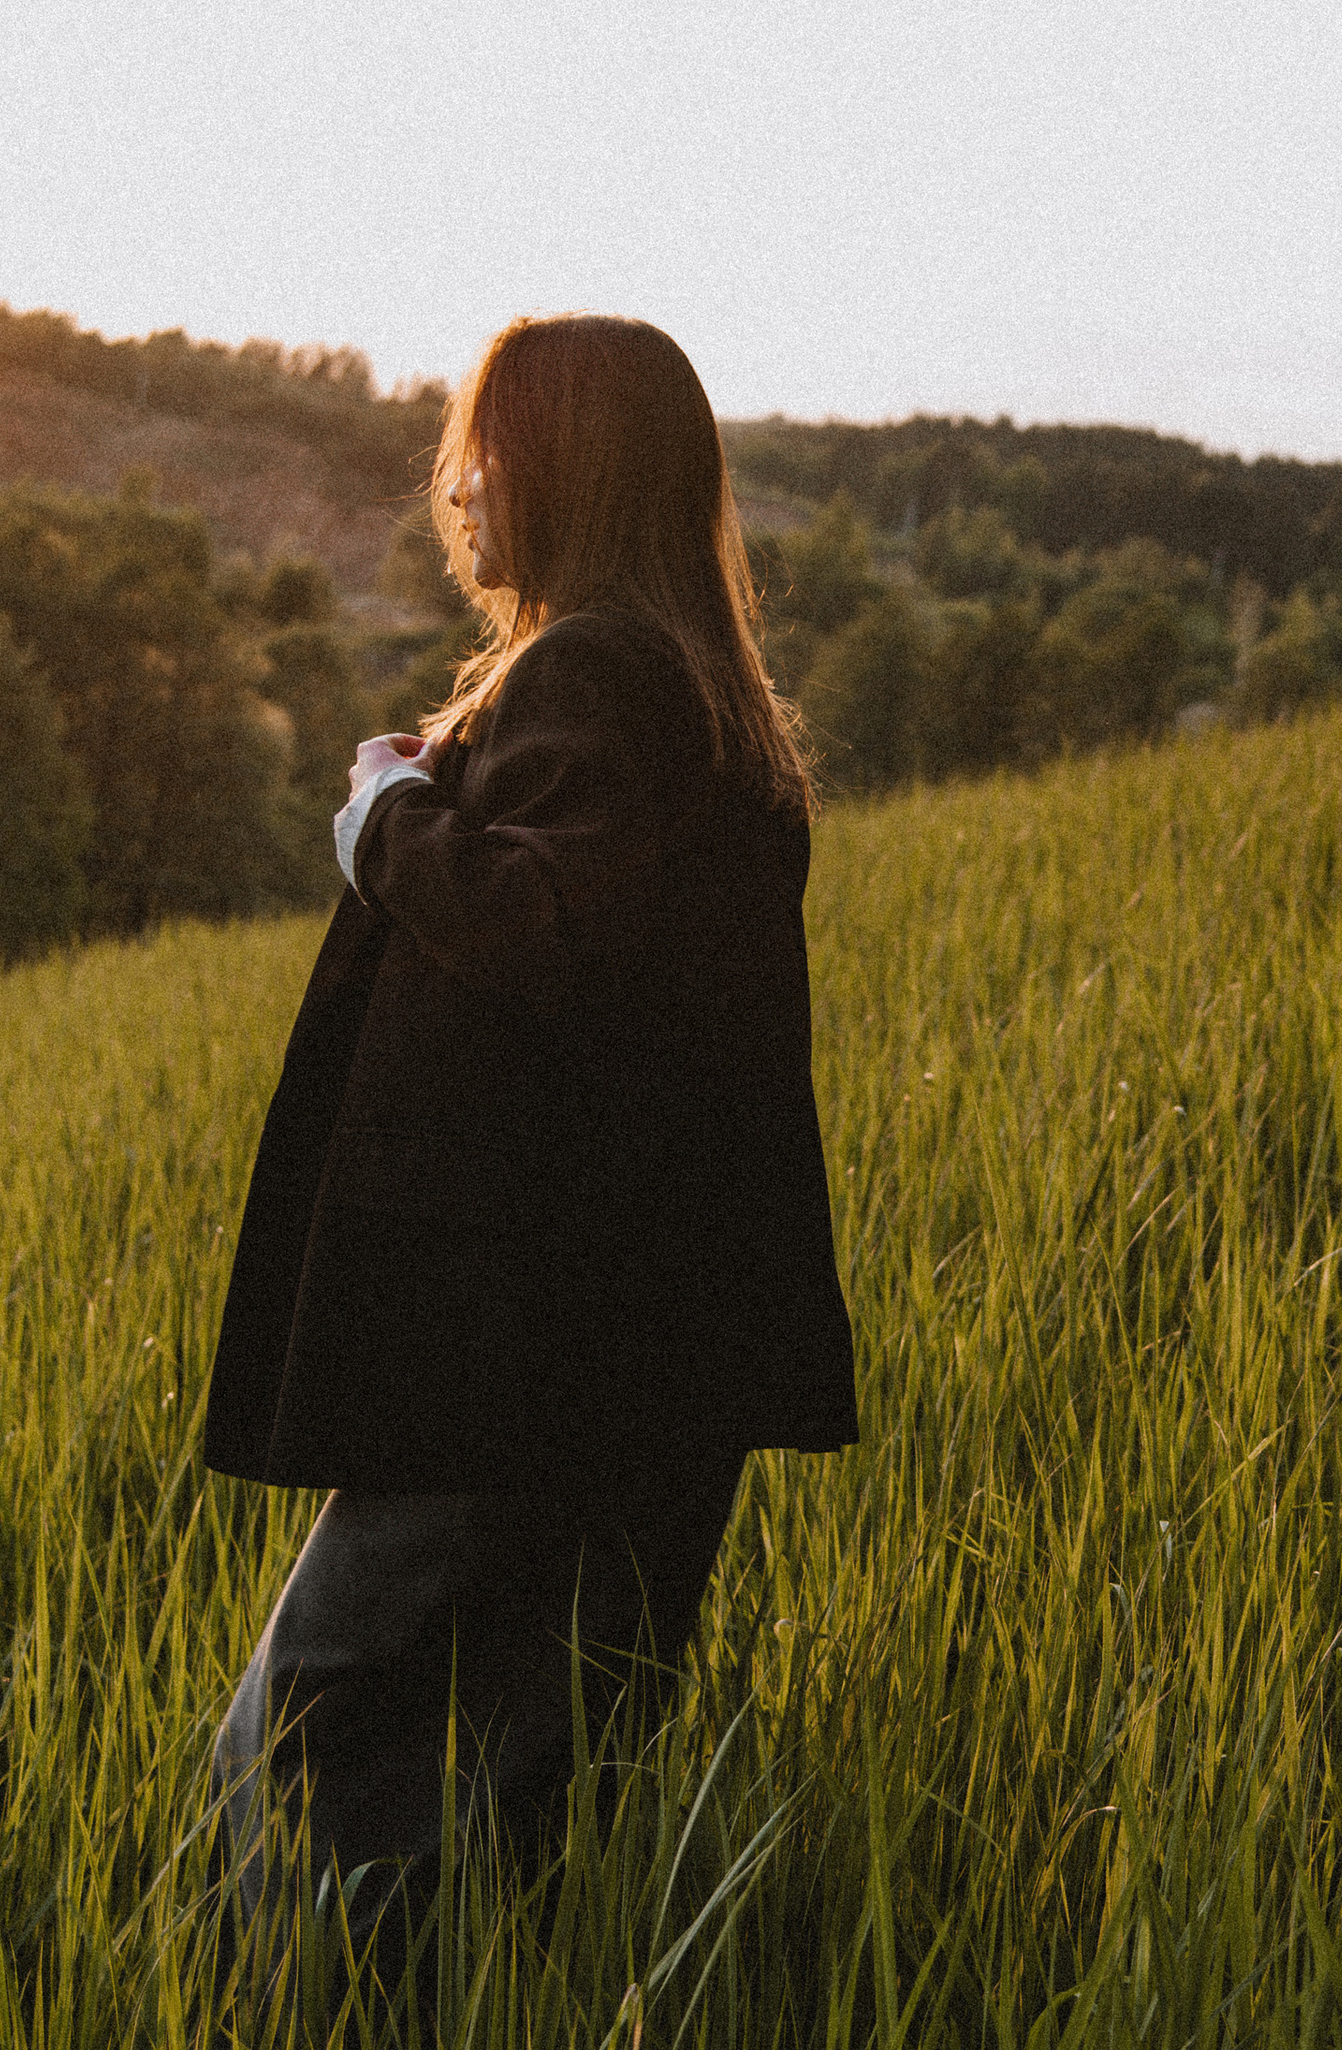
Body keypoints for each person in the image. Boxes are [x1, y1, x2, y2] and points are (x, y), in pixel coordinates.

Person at [199, 313, 859, 1970]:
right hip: (644, 1349)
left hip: (515, 1346)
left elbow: (543, 929)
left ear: (572, 468)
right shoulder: (697, 692)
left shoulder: (596, 670)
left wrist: (387, 820)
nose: (461, 485)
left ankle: (277, 2011)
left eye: (489, 448)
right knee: (513, 1781)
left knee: (310, 1733)